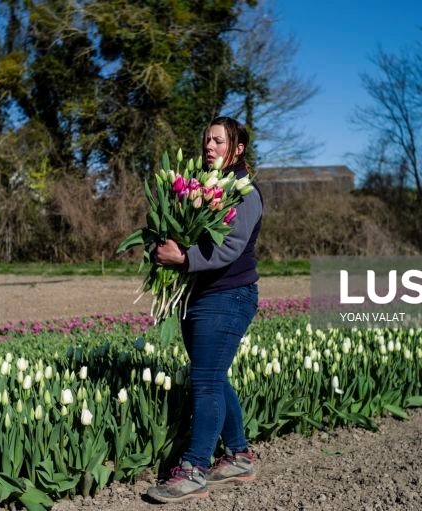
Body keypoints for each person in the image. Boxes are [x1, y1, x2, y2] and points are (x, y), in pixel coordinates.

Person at [146, 116, 263, 503]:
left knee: (206, 380)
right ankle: (238, 455)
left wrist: (183, 258)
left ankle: (193, 468)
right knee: (211, 375)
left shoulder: (245, 193)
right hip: (199, 295)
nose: (208, 147)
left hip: (229, 295)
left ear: (238, 148)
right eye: (206, 141)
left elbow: (230, 248)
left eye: (218, 141)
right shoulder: (204, 186)